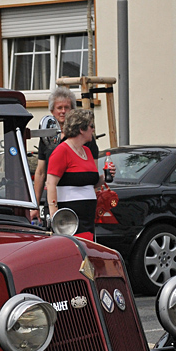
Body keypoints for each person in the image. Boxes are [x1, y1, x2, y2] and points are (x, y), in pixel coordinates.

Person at [32, 86, 99, 218]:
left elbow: (92, 173)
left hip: (80, 204)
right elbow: (40, 172)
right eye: (59, 108)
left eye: (66, 107)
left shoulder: (86, 140)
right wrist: (35, 205)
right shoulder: (47, 138)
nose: (63, 111)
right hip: (55, 202)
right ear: (52, 111)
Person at [45, 108, 103, 241]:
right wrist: (55, 215)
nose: (93, 130)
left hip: (88, 216)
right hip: (69, 219)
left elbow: (89, 182)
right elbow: (51, 183)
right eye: (91, 126)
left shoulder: (87, 151)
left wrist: (104, 177)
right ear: (81, 129)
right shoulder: (62, 151)